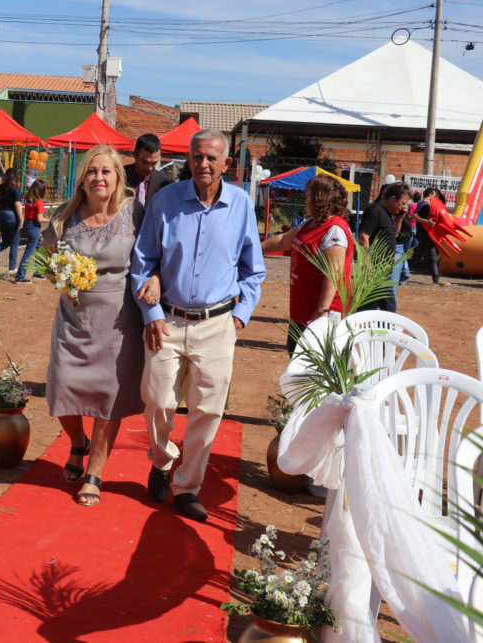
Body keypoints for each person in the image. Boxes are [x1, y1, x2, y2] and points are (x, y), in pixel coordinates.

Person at [131, 129, 266, 522]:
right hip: (166, 321)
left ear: (227, 163)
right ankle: (161, 462)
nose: (203, 164)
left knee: (208, 410)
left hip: (218, 324)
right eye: (196, 156)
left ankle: (187, 487)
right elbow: (143, 261)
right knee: (157, 400)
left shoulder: (241, 205)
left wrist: (242, 314)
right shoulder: (165, 201)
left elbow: (253, 271)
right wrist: (152, 314)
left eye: (211, 158)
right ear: (188, 159)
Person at [45, 145, 146, 506]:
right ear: (82, 179)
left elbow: (150, 258)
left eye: (106, 171)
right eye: (92, 171)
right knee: (62, 390)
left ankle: (94, 473)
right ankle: (77, 442)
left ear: (118, 176)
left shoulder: (136, 212)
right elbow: (48, 255)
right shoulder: (65, 216)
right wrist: (60, 274)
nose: (99, 178)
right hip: (73, 319)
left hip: (118, 320)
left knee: (108, 396)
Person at [261, 174, 355, 355]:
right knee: (296, 360)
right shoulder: (311, 223)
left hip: (321, 316)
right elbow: (283, 241)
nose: (305, 198)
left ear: (320, 198)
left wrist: (321, 312)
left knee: (314, 372)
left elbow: (333, 274)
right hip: (301, 312)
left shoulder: (334, 231)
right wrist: (254, 250)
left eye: (309, 194)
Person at [358, 181, 411, 311]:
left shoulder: (388, 214)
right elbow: (364, 236)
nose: (404, 207)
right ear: (393, 199)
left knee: (370, 303)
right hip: (375, 268)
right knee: (388, 304)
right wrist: (367, 263)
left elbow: (395, 235)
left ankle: (357, 323)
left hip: (385, 267)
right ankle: (390, 326)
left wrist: (399, 218)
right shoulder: (375, 210)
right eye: (403, 203)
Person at [410, 186, 449, 286]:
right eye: (435, 195)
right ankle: (397, 272)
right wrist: (427, 222)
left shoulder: (429, 205)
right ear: (430, 194)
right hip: (423, 235)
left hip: (429, 235)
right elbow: (414, 216)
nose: (436, 198)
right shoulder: (423, 204)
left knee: (433, 257)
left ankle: (436, 279)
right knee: (417, 258)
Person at [123, 133, 172, 208]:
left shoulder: (165, 182)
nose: (149, 168)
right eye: (145, 162)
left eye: (154, 163)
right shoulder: (120, 176)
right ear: (135, 155)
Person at [14, 180, 48, 283]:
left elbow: (26, 212)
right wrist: (52, 220)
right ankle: (20, 277)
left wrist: (22, 224)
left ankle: (37, 272)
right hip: (34, 227)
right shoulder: (39, 202)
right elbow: (40, 219)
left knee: (40, 249)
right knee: (28, 253)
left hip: (27, 225)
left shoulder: (28, 199)